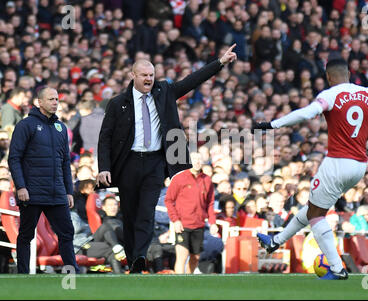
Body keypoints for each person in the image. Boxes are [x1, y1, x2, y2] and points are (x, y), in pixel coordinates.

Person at [254, 59, 368, 280]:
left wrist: (273, 125)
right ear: (348, 73)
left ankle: (336, 268)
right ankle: (275, 242)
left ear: (329, 77)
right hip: (360, 166)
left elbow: (306, 113)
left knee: (315, 215)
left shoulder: (330, 96)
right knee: (314, 208)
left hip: (337, 162)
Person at [97, 45, 237, 273]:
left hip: (155, 164)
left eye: (151, 75)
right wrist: (104, 168)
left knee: (146, 213)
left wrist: (219, 62)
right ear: (133, 76)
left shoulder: (165, 92)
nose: (149, 79)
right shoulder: (117, 103)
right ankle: (133, 258)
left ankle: (139, 258)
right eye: (144, 75)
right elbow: (105, 138)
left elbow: (192, 80)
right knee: (131, 215)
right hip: (128, 164)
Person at [8, 87, 79, 274]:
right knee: (26, 234)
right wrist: (21, 186)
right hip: (32, 191)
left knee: (67, 232)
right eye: (51, 99)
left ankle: (72, 273)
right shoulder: (26, 125)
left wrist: (69, 191)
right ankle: (23, 275)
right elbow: (14, 157)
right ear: (39, 102)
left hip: (56, 192)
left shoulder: (61, 128)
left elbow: (65, 162)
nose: (55, 102)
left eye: (57, 99)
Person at [164, 152, 218, 274]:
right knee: (182, 256)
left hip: (198, 225)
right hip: (182, 225)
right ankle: (178, 285)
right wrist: (175, 220)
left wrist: (213, 222)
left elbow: (210, 203)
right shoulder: (179, 178)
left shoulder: (207, 180)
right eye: (194, 159)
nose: (197, 161)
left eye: (200, 159)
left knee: (195, 258)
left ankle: (189, 280)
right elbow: (168, 200)